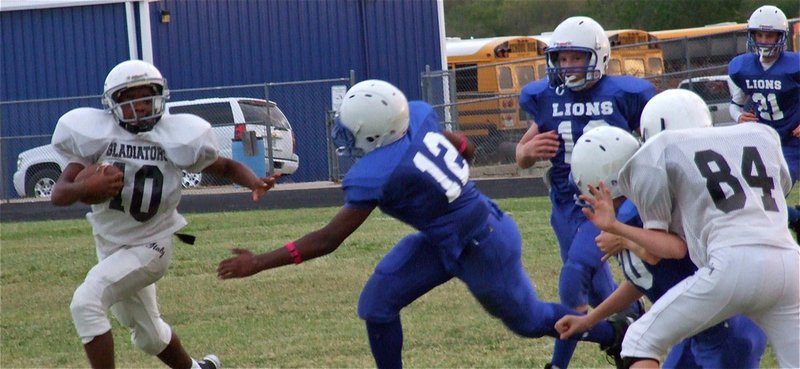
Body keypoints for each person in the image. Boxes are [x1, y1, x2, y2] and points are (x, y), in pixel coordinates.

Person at [217, 79, 628, 368]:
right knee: (377, 305)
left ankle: (613, 334)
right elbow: (464, 145)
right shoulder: (414, 118)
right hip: (442, 238)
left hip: (483, 243)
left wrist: (258, 262)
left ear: (376, 134)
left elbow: (328, 239)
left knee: (532, 321)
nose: (345, 136)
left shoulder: (377, 172)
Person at [50, 59, 278, 369]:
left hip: (151, 245)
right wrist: (86, 187)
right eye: (131, 99)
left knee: (86, 302)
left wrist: (254, 181)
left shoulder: (174, 136)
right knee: (150, 336)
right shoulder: (97, 137)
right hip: (110, 245)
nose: (140, 107)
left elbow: (225, 166)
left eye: (146, 98)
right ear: (112, 103)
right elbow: (59, 194)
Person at [574, 94, 800, 368]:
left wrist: (616, 229)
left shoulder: (662, 151)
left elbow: (666, 251)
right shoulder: (757, 134)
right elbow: (781, 188)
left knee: (637, 341)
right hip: (790, 264)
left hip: (731, 267)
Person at [515, 15, 655, 368]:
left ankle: (557, 365)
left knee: (574, 275)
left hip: (608, 200)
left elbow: (654, 141)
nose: (568, 66)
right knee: (594, 286)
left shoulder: (625, 94)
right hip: (564, 202)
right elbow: (521, 155)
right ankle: (629, 326)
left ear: (598, 55)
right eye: (562, 58)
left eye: (576, 57)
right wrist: (528, 152)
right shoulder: (546, 96)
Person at [727, 5, 800, 234]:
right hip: (763, 141)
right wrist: (739, 116)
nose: (764, 41)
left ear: (781, 37)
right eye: (760, 35)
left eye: (770, 36)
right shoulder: (742, 68)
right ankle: (796, 218)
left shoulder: (795, 66)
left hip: (792, 140)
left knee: (770, 196)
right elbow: (735, 104)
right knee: (758, 198)